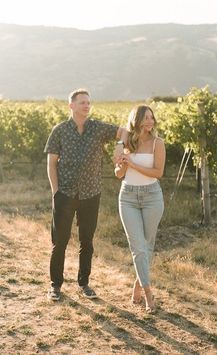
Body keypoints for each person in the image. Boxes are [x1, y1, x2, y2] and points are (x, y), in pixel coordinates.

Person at [44, 88, 127, 301]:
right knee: (59, 242)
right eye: (82, 102)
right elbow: (52, 164)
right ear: (71, 105)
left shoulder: (98, 128)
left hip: (91, 194)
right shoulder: (60, 130)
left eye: (88, 102)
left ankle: (84, 284)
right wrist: (56, 192)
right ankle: (55, 286)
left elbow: (125, 131)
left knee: (87, 242)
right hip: (65, 193)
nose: (87, 106)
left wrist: (119, 146)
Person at [114, 105, 165, 313]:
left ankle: (137, 284)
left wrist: (133, 165)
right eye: (145, 118)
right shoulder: (126, 142)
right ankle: (148, 295)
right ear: (136, 120)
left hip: (152, 196)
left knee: (147, 245)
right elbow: (118, 174)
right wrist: (124, 162)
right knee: (138, 247)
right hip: (128, 198)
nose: (150, 122)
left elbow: (158, 172)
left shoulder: (157, 143)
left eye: (152, 118)